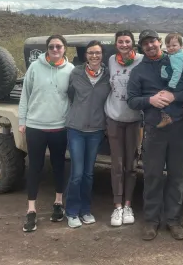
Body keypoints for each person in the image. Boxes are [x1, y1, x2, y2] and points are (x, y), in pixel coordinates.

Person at [127, 30, 183, 242]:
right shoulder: (139, 72)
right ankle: (151, 221)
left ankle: (173, 220)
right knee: (153, 176)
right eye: (145, 44)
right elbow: (132, 100)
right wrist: (150, 101)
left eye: (152, 41)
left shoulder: (176, 60)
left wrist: (175, 95)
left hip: (178, 127)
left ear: (159, 42)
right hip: (154, 129)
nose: (150, 46)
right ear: (142, 48)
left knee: (176, 175)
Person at [18, 34, 74, 233]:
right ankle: (31, 209)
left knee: (59, 165)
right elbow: (25, 94)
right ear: (47, 49)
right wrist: (22, 120)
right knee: (35, 167)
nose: (55, 49)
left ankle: (58, 203)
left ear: (65, 49)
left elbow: (73, 98)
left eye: (59, 46)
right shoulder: (35, 67)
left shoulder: (71, 70)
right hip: (36, 126)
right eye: (52, 46)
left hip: (59, 126)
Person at [65, 40, 111, 228]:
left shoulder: (108, 75)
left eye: (98, 53)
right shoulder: (76, 73)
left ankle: (85, 210)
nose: (94, 56)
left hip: (96, 130)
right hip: (76, 128)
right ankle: (72, 211)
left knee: (88, 173)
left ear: (102, 55)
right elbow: (69, 94)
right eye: (91, 53)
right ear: (86, 55)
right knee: (77, 173)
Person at [105, 31, 144, 227]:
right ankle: (117, 205)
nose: (124, 44)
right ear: (116, 44)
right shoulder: (112, 60)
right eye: (120, 41)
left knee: (131, 164)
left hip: (135, 119)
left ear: (133, 44)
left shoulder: (142, 61)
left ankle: (128, 204)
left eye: (127, 41)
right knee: (117, 164)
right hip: (114, 117)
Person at [157, 32, 183, 128]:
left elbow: (177, 72)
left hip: (177, 83)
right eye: (168, 46)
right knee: (182, 102)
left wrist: (171, 86)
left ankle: (166, 117)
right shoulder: (181, 55)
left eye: (174, 45)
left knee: (163, 96)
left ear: (181, 46)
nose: (171, 48)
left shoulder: (175, 57)